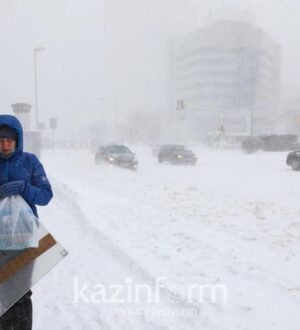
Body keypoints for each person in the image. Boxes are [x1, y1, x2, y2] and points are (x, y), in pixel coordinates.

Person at [0, 114, 53, 330]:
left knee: (21, 292)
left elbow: (46, 196)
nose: (4, 145)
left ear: (18, 139)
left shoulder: (30, 162)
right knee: (2, 290)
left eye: (9, 140)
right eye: (0, 140)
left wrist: (25, 188)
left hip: (24, 238)